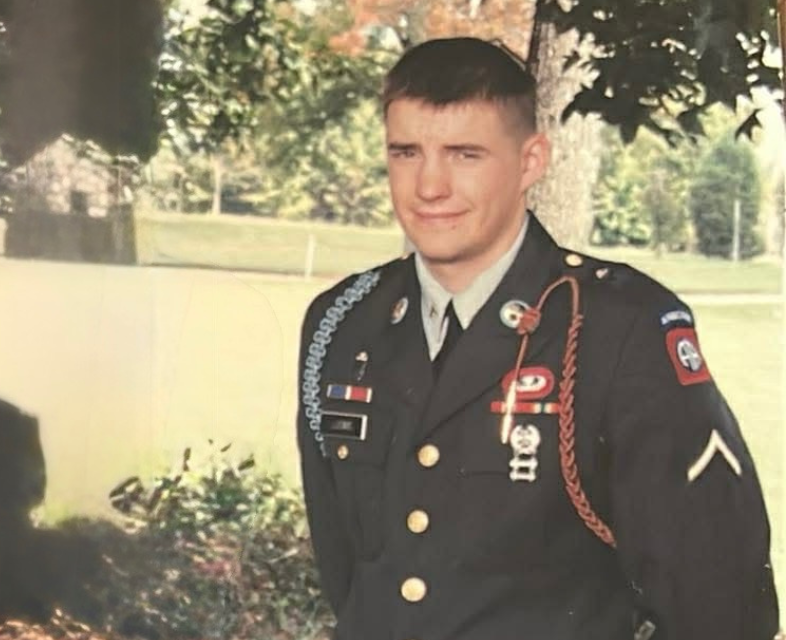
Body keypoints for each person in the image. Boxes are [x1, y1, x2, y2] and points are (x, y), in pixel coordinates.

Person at [296, 36, 780, 640]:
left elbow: (718, 597)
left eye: (464, 154)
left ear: (531, 162)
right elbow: (350, 572)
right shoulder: (342, 323)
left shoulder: (619, 326)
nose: (429, 186)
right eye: (406, 152)